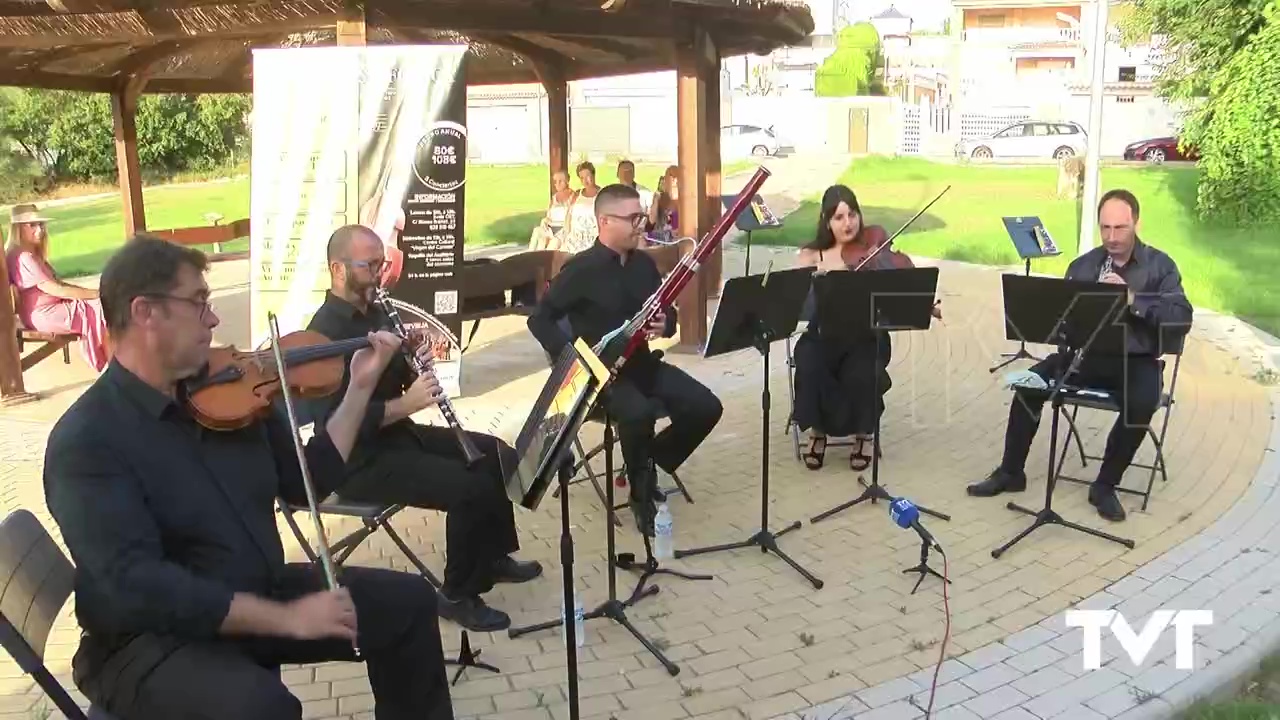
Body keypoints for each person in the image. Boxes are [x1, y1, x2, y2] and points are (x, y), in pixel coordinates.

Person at [43, 234, 454, 720]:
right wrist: (286, 618)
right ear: (145, 313)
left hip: (252, 594)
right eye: (199, 304)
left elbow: (308, 481)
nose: (214, 320)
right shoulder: (87, 441)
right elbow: (142, 585)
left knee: (406, 605)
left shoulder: (233, 395)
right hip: (148, 642)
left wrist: (360, 388)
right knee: (265, 707)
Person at [305, 224, 542, 633]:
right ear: (337, 270)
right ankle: (457, 595)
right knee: (467, 489)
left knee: (494, 454)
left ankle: (493, 556)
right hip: (359, 462)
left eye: (383, 263)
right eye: (370, 265)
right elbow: (332, 423)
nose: (380, 273)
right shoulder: (322, 333)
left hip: (398, 437)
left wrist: (413, 356)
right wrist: (406, 403)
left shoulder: (377, 310)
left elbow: (396, 377)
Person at [967, 189, 1193, 522]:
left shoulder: (1160, 266)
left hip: (1136, 361)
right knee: (1028, 383)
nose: (1112, 237)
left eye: (1120, 228)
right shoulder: (1085, 265)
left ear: (1137, 223)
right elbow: (1062, 319)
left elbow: (1181, 317)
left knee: (1143, 402)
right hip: (1086, 357)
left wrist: (1132, 300)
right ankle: (1011, 472)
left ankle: (1104, 485)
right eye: (1105, 228)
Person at [527, 183, 724, 534]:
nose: (642, 224)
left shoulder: (643, 266)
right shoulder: (580, 270)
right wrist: (574, 361)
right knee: (638, 412)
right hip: (602, 376)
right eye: (633, 218)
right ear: (605, 221)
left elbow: (667, 315)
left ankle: (647, 461)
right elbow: (539, 319)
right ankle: (639, 494)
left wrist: (667, 323)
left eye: (642, 215)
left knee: (706, 406)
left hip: (642, 364)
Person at [791, 185, 940, 471]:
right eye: (838, 217)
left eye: (852, 214)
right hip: (823, 334)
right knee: (810, 364)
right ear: (826, 220)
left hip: (865, 334)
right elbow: (798, 303)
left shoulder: (874, 247)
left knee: (862, 372)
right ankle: (818, 431)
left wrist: (923, 306)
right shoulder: (812, 255)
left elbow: (901, 285)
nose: (848, 223)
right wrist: (816, 281)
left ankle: (863, 434)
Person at [4, 203, 111, 371]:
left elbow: (60, 285)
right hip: (45, 315)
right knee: (101, 307)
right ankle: (112, 366)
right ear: (18, 229)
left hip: (46, 311)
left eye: (41, 224)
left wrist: (94, 293)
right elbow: (56, 289)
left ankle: (111, 364)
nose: (39, 229)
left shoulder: (26, 253)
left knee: (100, 305)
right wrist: (98, 294)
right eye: (32, 225)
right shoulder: (24, 257)